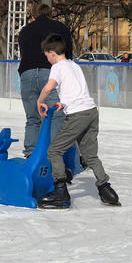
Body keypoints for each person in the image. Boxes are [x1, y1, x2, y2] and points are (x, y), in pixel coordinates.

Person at [36, 34, 120, 209]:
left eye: (46, 55)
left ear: (51, 53)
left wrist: (40, 101)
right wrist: (63, 103)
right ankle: (107, 190)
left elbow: (48, 87)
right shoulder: (74, 65)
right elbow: (75, 90)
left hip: (77, 115)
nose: (47, 59)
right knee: (90, 155)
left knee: (54, 151)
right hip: (91, 111)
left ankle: (60, 193)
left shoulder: (57, 67)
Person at [18, 3, 73, 158]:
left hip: (27, 73)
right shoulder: (60, 28)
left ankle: (30, 154)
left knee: (33, 117)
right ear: (50, 14)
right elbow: (68, 54)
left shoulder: (25, 30)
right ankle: (53, 155)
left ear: (33, 16)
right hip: (51, 74)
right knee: (56, 115)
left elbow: (24, 52)